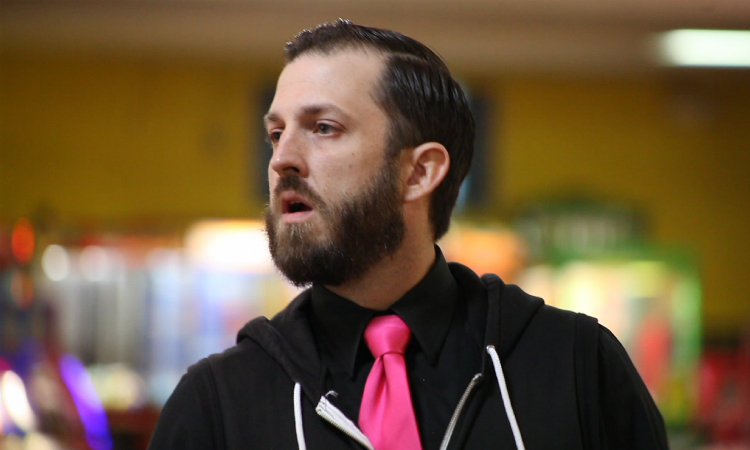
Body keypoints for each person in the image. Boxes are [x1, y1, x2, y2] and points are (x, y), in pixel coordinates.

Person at [149, 20, 668, 450]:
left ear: (419, 173)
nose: (282, 158)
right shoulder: (217, 402)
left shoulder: (574, 366)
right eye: (277, 132)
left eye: (324, 128)